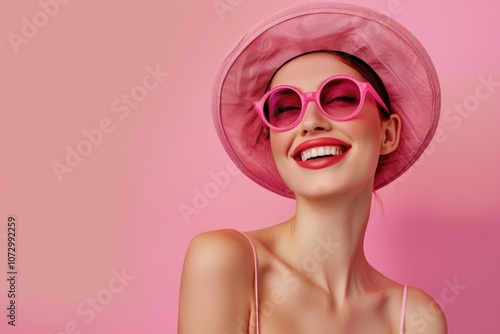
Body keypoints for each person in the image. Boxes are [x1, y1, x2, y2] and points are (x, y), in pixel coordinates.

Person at [178, 3, 447, 333]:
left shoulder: (414, 318)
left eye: (339, 99)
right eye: (287, 108)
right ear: (273, 142)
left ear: (388, 134)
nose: (311, 122)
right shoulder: (225, 261)